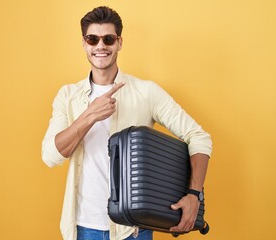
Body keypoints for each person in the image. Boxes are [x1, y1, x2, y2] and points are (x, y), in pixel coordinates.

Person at [42, 6, 212, 240]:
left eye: (108, 39)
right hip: (82, 227)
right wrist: (90, 115)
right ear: (84, 44)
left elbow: (199, 137)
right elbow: (51, 156)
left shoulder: (147, 92)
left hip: (132, 230)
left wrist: (194, 194)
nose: (101, 46)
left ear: (119, 42)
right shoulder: (67, 95)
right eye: (93, 39)